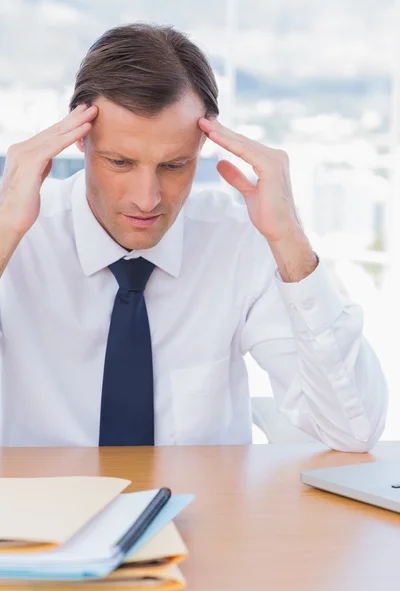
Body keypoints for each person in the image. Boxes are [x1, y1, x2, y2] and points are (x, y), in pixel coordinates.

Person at [0, 23, 387, 450]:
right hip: (42, 508)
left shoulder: (240, 238)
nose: (147, 199)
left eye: (174, 165)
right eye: (120, 162)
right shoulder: (19, 235)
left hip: (204, 508)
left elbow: (355, 431)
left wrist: (290, 242)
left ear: (203, 148)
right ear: (79, 140)